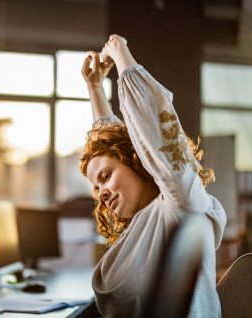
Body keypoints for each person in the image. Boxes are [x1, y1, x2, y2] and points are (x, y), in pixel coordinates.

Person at [79, 34, 227, 318]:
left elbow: (154, 132)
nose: (102, 193)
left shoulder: (181, 206)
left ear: (139, 161)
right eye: (96, 188)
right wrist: (95, 88)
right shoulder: (143, 223)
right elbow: (115, 140)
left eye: (106, 177)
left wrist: (121, 54)